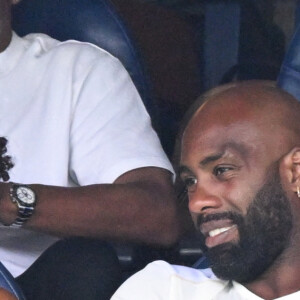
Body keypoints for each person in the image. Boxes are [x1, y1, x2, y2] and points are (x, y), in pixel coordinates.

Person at [0, 0, 181, 299]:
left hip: (29, 283)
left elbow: (157, 213)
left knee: (86, 263)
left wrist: (8, 202)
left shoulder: (75, 71)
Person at [112, 80, 300, 300]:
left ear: (295, 173)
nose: (196, 202)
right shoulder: (165, 291)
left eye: (222, 170)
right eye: (190, 181)